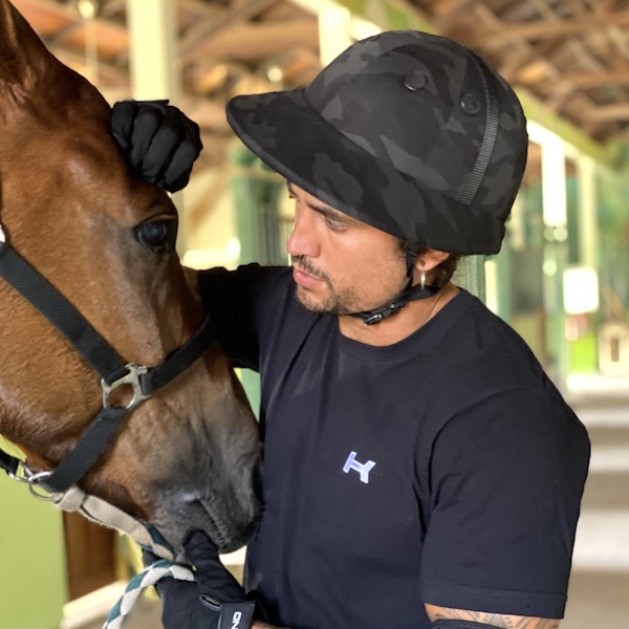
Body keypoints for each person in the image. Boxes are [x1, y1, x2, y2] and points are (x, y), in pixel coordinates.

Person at [112, 30, 590, 629]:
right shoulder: (293, 307)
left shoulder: (502, 423)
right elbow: (125, 303)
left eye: (333, 222)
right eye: (297, 204)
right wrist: (118, 176)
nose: (297, 243)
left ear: (430, 250)